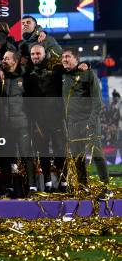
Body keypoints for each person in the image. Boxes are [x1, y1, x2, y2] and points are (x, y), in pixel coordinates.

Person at [61, 48, 111, 200]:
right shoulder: (63, 75)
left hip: (89, 122)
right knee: (77, 157)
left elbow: (97, 101)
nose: (64, 59)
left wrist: (91, 122)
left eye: (68, 57)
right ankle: (83, 187)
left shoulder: (88, 74)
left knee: (97, 155)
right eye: (63, 57)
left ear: (76, 59)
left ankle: (106, 188)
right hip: (72, 123)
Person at [25, 44, 67, 192]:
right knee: (42, 151)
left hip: (56, 119)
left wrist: (84, 64)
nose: (35, 56)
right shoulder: (28, 74)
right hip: (38, 121)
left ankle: (63, 181)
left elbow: (70, 65)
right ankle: (48, 183)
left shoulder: (57, 71)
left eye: (38, 53)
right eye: (32, 54)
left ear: (45, 54)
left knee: (60, 150)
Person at [0, 50, 37, 197]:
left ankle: (32, 187)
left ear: (15, 61)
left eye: (7, 58)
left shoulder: (25, 76)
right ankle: (9, 188)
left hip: (22, 123)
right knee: (6, 157)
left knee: (26, 155)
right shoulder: (0, 76)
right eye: (3, 58)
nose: (3, 60)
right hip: (5, 125)